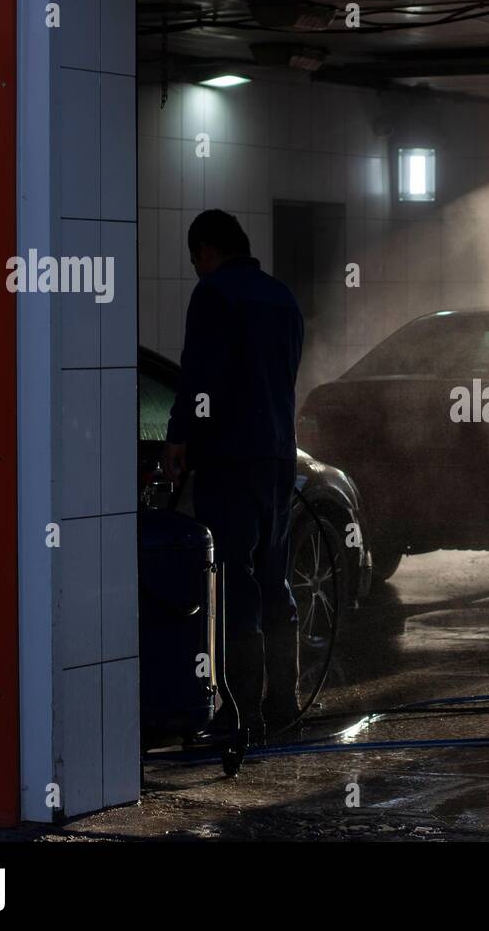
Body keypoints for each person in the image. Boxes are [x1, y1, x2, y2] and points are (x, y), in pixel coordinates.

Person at [164, 210, 305, 742]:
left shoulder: (214, 295)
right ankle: (284, 704)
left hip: (229, 457)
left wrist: (179, 437)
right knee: (274, 575)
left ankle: (241, 715)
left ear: (207, 249)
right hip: (277, 457)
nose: (196, 268)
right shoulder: (283, 297)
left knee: (232, 579)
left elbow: (200, 375)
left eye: (195, 257)